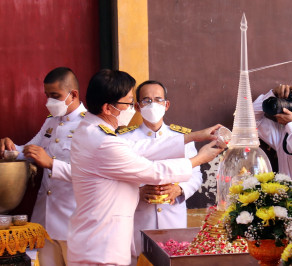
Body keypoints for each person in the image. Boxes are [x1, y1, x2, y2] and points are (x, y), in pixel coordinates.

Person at [67, 69, 223, 266]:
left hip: (97, 240)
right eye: (129, 103)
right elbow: (154, 171)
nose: (132, 108)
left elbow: (140, 148)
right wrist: (199, 159)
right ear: (108, 108)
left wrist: (193, 136)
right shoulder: (104, 141)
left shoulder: (92, 131)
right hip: (102, 246)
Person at [0, 67, 86, 266]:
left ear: (73, 94)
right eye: (47, 96)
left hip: (73, 219)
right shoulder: (51, 122)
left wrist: (51, 163)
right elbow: (31, 151)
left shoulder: (89, 125)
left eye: (55, 96)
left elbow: (92, 174)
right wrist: (8, 148)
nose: (49, 102)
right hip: (44, 220)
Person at [117, 80, 202, 261]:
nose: (152, 105)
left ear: (166, 105)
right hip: (139, 219)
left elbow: (195, 175)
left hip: (173, 219)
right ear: (138, 107)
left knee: (173, 260)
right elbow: (117, 179)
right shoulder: (124, 139)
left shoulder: (181, 137)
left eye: (158, 100)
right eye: (146, 101)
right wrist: (138, 191)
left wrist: (179, 190)